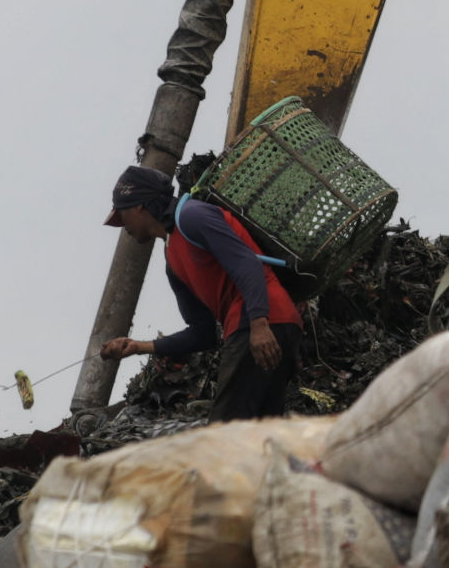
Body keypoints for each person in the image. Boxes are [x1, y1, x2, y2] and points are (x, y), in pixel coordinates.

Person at [97, 165, 306, 421]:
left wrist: (260, 325)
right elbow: (203, 333)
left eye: (122, 214)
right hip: (270, 323)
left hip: (257, 323)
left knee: (225, 431)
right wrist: (139, 346)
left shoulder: (191, 216)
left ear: (139, 206)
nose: (123, 226)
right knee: (261, 431)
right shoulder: (172, 259)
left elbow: (248, 263)